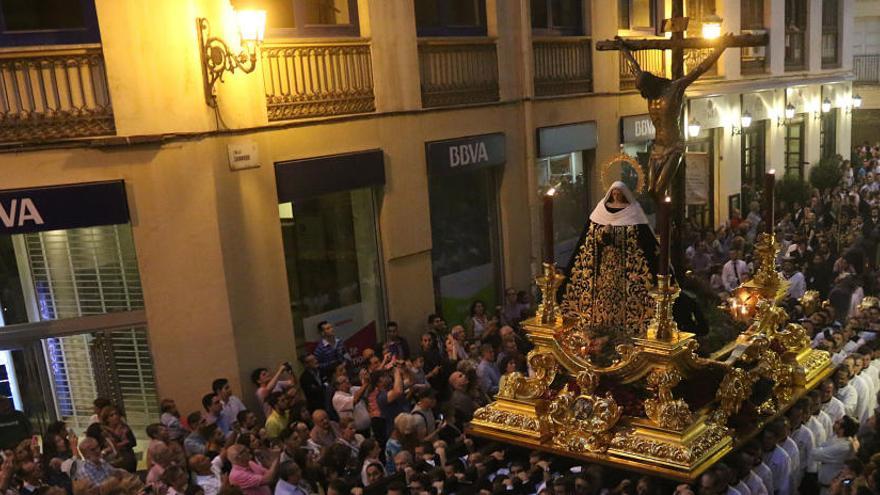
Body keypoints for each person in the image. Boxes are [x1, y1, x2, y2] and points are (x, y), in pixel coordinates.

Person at [559, 181, 660, 365]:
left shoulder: (633, 213)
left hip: (626, 275)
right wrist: (602, 235)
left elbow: (644, 243)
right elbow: (587, 241)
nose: (615, 196)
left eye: (619, 193)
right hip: (601, 273)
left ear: (624, 194)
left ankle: (625, 338)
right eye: (613, 192)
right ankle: (599, 332)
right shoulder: (599, 213)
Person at [811, 416, 860, 495]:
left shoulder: (843, 447)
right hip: (825, 486)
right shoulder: (837, 438)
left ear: (842, 429)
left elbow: (815, 454)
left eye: (838, 423)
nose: (835, 422)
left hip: (831, 489)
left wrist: (820, 450)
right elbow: (822, 447)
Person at [99, 405, 136, 473]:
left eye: (116, 414)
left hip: (127, 456)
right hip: (111, 458)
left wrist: (116, 445)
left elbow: (133, 443)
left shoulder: (125, 428)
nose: (115, 416)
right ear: (106, 419)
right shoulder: (104, 431)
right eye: (111, 415)